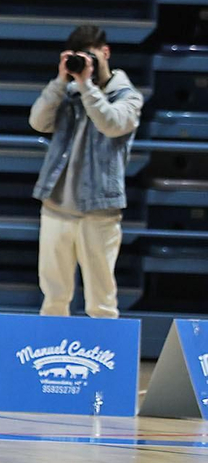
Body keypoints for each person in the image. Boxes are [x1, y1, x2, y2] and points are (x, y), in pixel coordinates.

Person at [29, 25, 143, 319]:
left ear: (105, 53)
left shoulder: (127, 96)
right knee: (53, 298)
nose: (86, 66)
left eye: (91, 57)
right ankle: (47, 358)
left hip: (99, 211)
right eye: (80, 59)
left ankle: (104, 361)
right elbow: (38, 121)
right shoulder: (66, 92)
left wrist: (86, 86)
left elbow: (112, 124)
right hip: (57, 206)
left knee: (101, 302)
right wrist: (60, 79)